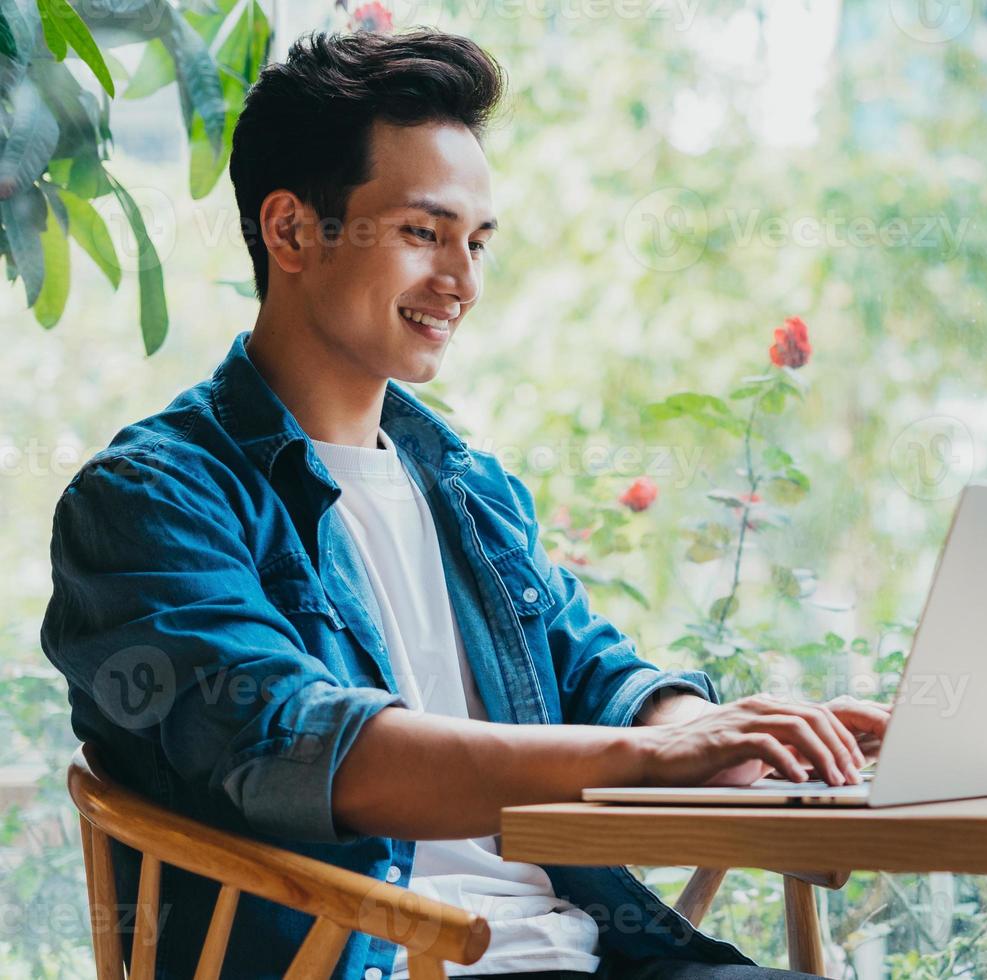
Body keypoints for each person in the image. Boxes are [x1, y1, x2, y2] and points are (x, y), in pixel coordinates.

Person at [39, 27, 887, 980]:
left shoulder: (466, 489)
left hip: (595, 951)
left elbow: (601, 679)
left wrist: (753, 740)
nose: (463, 282)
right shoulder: (151, 500)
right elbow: (306, 748)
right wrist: (653, 761)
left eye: (477, 242)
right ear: (290, 232)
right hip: (384, 963)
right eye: (422, 233)